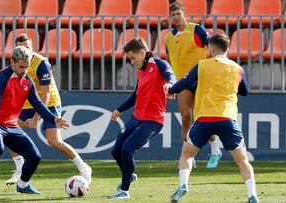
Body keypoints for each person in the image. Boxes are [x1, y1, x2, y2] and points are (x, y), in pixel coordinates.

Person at [0, 46, 69, 197]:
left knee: (35, 157)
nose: (24, 70)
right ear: (12, 62)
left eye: (27, 67)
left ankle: (23, 185)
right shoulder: (1, 78)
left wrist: (53, 118)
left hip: (12, 125)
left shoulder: (27, 81)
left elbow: (38, 104)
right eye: (21, 67)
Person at [167, 34, 258, 203]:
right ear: (227, 48)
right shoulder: (237, 68)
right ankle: (252, 195)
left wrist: (171, 90)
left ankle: (183, 185)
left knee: (186, 154)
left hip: (205, 118)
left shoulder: (202, 65)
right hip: (227, 118)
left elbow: (184, 83)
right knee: (243, 160)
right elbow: (245, 90)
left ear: (212, 49)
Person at [5, 34, 92, 185]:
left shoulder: (41, 63)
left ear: (32, 46)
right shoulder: (16, 62)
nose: (25, 50)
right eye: (21, 47)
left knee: (54, 141)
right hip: (27, 104)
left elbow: (45, 95)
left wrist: (35, 118)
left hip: (49, 103)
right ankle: (19, 169)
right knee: (7, 130)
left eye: (27, 46)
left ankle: (84, 168)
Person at [108, 38, 176, 199]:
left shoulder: (159, 64)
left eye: (132, 57)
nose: (131, 62)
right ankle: (129, 174)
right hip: (137, 117)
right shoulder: (141, 69)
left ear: (142, 53)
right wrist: (119, 109)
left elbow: (171, 77)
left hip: (153, 120)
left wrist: (170, 86)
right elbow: (136, 96)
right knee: (116, 151)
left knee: (127, 149)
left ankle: (124, 191)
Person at [164, 2, 222, 168]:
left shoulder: (197, 30)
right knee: (186, 118)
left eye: (178, 14)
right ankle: (188, 157)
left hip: (201, 79)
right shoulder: (168, 38)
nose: (175, 17)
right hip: (183, 82)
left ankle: (215, 149)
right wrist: (172, 83)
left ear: (184, 13)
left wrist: (212, 67)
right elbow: (169, 61)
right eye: (172, 15)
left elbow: (212, 47)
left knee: (204, 117)